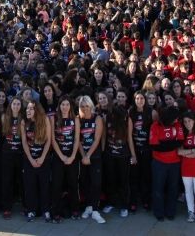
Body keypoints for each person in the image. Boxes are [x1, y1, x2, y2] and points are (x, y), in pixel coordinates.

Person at [149, 105, 183, 222]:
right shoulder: (155, 126)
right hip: (159, 163)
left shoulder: (177, 125)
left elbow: (180, 142)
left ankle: (170, 212)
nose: (177, 120)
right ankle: (158, 212)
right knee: (158, 188)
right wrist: (172, 143)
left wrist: (164, 144)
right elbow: (155, 146)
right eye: (175, 118)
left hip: (175, 162)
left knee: (173, 188)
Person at [21, 100, 52, 222]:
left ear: (37, 110)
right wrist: (31, 159)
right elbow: (24, 142)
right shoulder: (24, 122)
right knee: (30, 186)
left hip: (43, 158)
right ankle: (31, 210)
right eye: (27, 108)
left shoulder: (45, 120)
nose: (28, 110)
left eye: (31, 108)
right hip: (29, 159)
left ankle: (46, 210)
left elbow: (48, 140)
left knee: (45, 185)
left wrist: (42, 157)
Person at [51, 95, 80, 222]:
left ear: (70, 106)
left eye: (67, 104)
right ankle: (56, 212)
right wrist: (61, 156)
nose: (65, 107)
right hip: (58, 157)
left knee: (73, 184)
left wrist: (72, 156)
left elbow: (77, 139)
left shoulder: (75, 119)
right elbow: (53, 139)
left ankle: (74, 210)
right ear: (59, 106)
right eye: (63, 104)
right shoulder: (54, 118)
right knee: (57, 185)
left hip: (72, 156)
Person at [78, 95, 106, 224]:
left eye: (87, 106)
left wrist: (88, 155)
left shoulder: (97, 118)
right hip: (82, 156)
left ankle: (95, 210)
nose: (85, 108)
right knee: (85, 182)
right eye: (82, 106)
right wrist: (84, 156)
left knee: (96, 182)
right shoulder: (78, 119)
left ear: (91, 106)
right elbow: (78, 140)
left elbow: (97, 139)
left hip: (94, 156)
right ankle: (88, 207)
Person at [103, 104, 134, 218]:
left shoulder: (127, 120)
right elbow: (104, 136)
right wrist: (103, 151)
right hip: (110, 154)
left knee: (124, 180)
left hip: (123, 155)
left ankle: (124, 205)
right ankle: (111, 202)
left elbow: (129, 137)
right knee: (110, 179)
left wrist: (133, 155)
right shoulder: (108, 118)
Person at [0, 96, 24, 219]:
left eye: (18, 104)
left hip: (20, 153)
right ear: (11, 105)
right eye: (14, 104)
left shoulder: (23, 118)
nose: (16, 106)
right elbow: (2, 135)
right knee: (7, 181)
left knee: (22, 180)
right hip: (7, 153)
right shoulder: (5, 117)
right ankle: (6, 208)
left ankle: (26, 206)